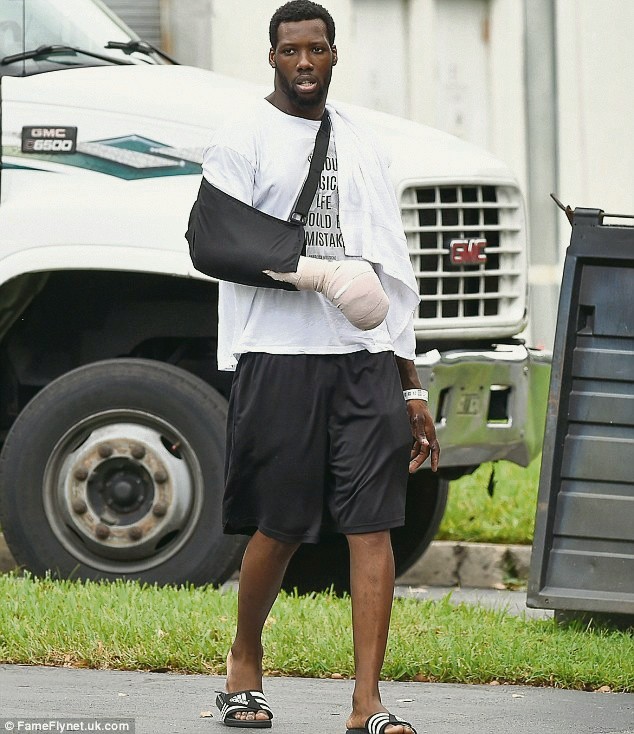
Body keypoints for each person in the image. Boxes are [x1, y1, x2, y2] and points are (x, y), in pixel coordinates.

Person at [203, 2, 440, 732]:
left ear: (335, 54)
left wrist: (411, 386)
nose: (304, 63)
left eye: (317, 49)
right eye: (291, 51)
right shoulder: (244, 135)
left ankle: (367, 703)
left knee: (374, 529)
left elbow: (392, 269)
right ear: (272, 57)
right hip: (281, 356)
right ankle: (245, 661)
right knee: (279, 526)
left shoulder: (363, 143)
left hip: (364, 361)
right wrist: (320, 274)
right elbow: (212, 240)